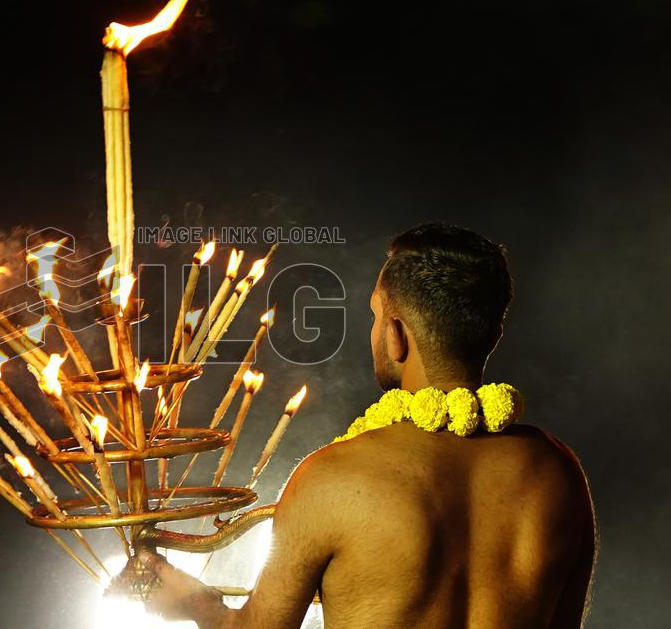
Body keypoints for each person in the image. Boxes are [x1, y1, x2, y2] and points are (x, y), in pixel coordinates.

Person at [142, 223, 596, 628]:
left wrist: (192, 601)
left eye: (375, 316)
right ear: (491, 331)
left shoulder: (331, 478)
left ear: (396, 333)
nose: (375, 331)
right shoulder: (558, 472)